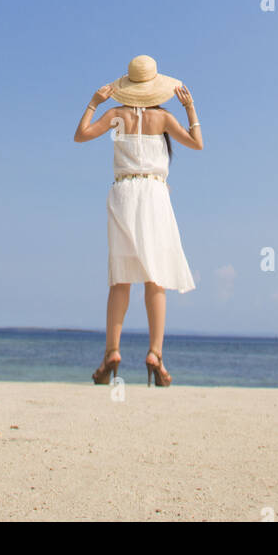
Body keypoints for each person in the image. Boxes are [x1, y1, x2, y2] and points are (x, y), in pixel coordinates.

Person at [74, 55, 202, 387]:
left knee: (120, 279)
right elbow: (197, 143)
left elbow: (81, 135)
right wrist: (189, 109)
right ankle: (155, 354)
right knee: (154, 278)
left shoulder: (115, 115)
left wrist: (93, 101)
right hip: (155, 194)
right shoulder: (163, 119)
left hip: (124, 193)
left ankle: (111, 353)